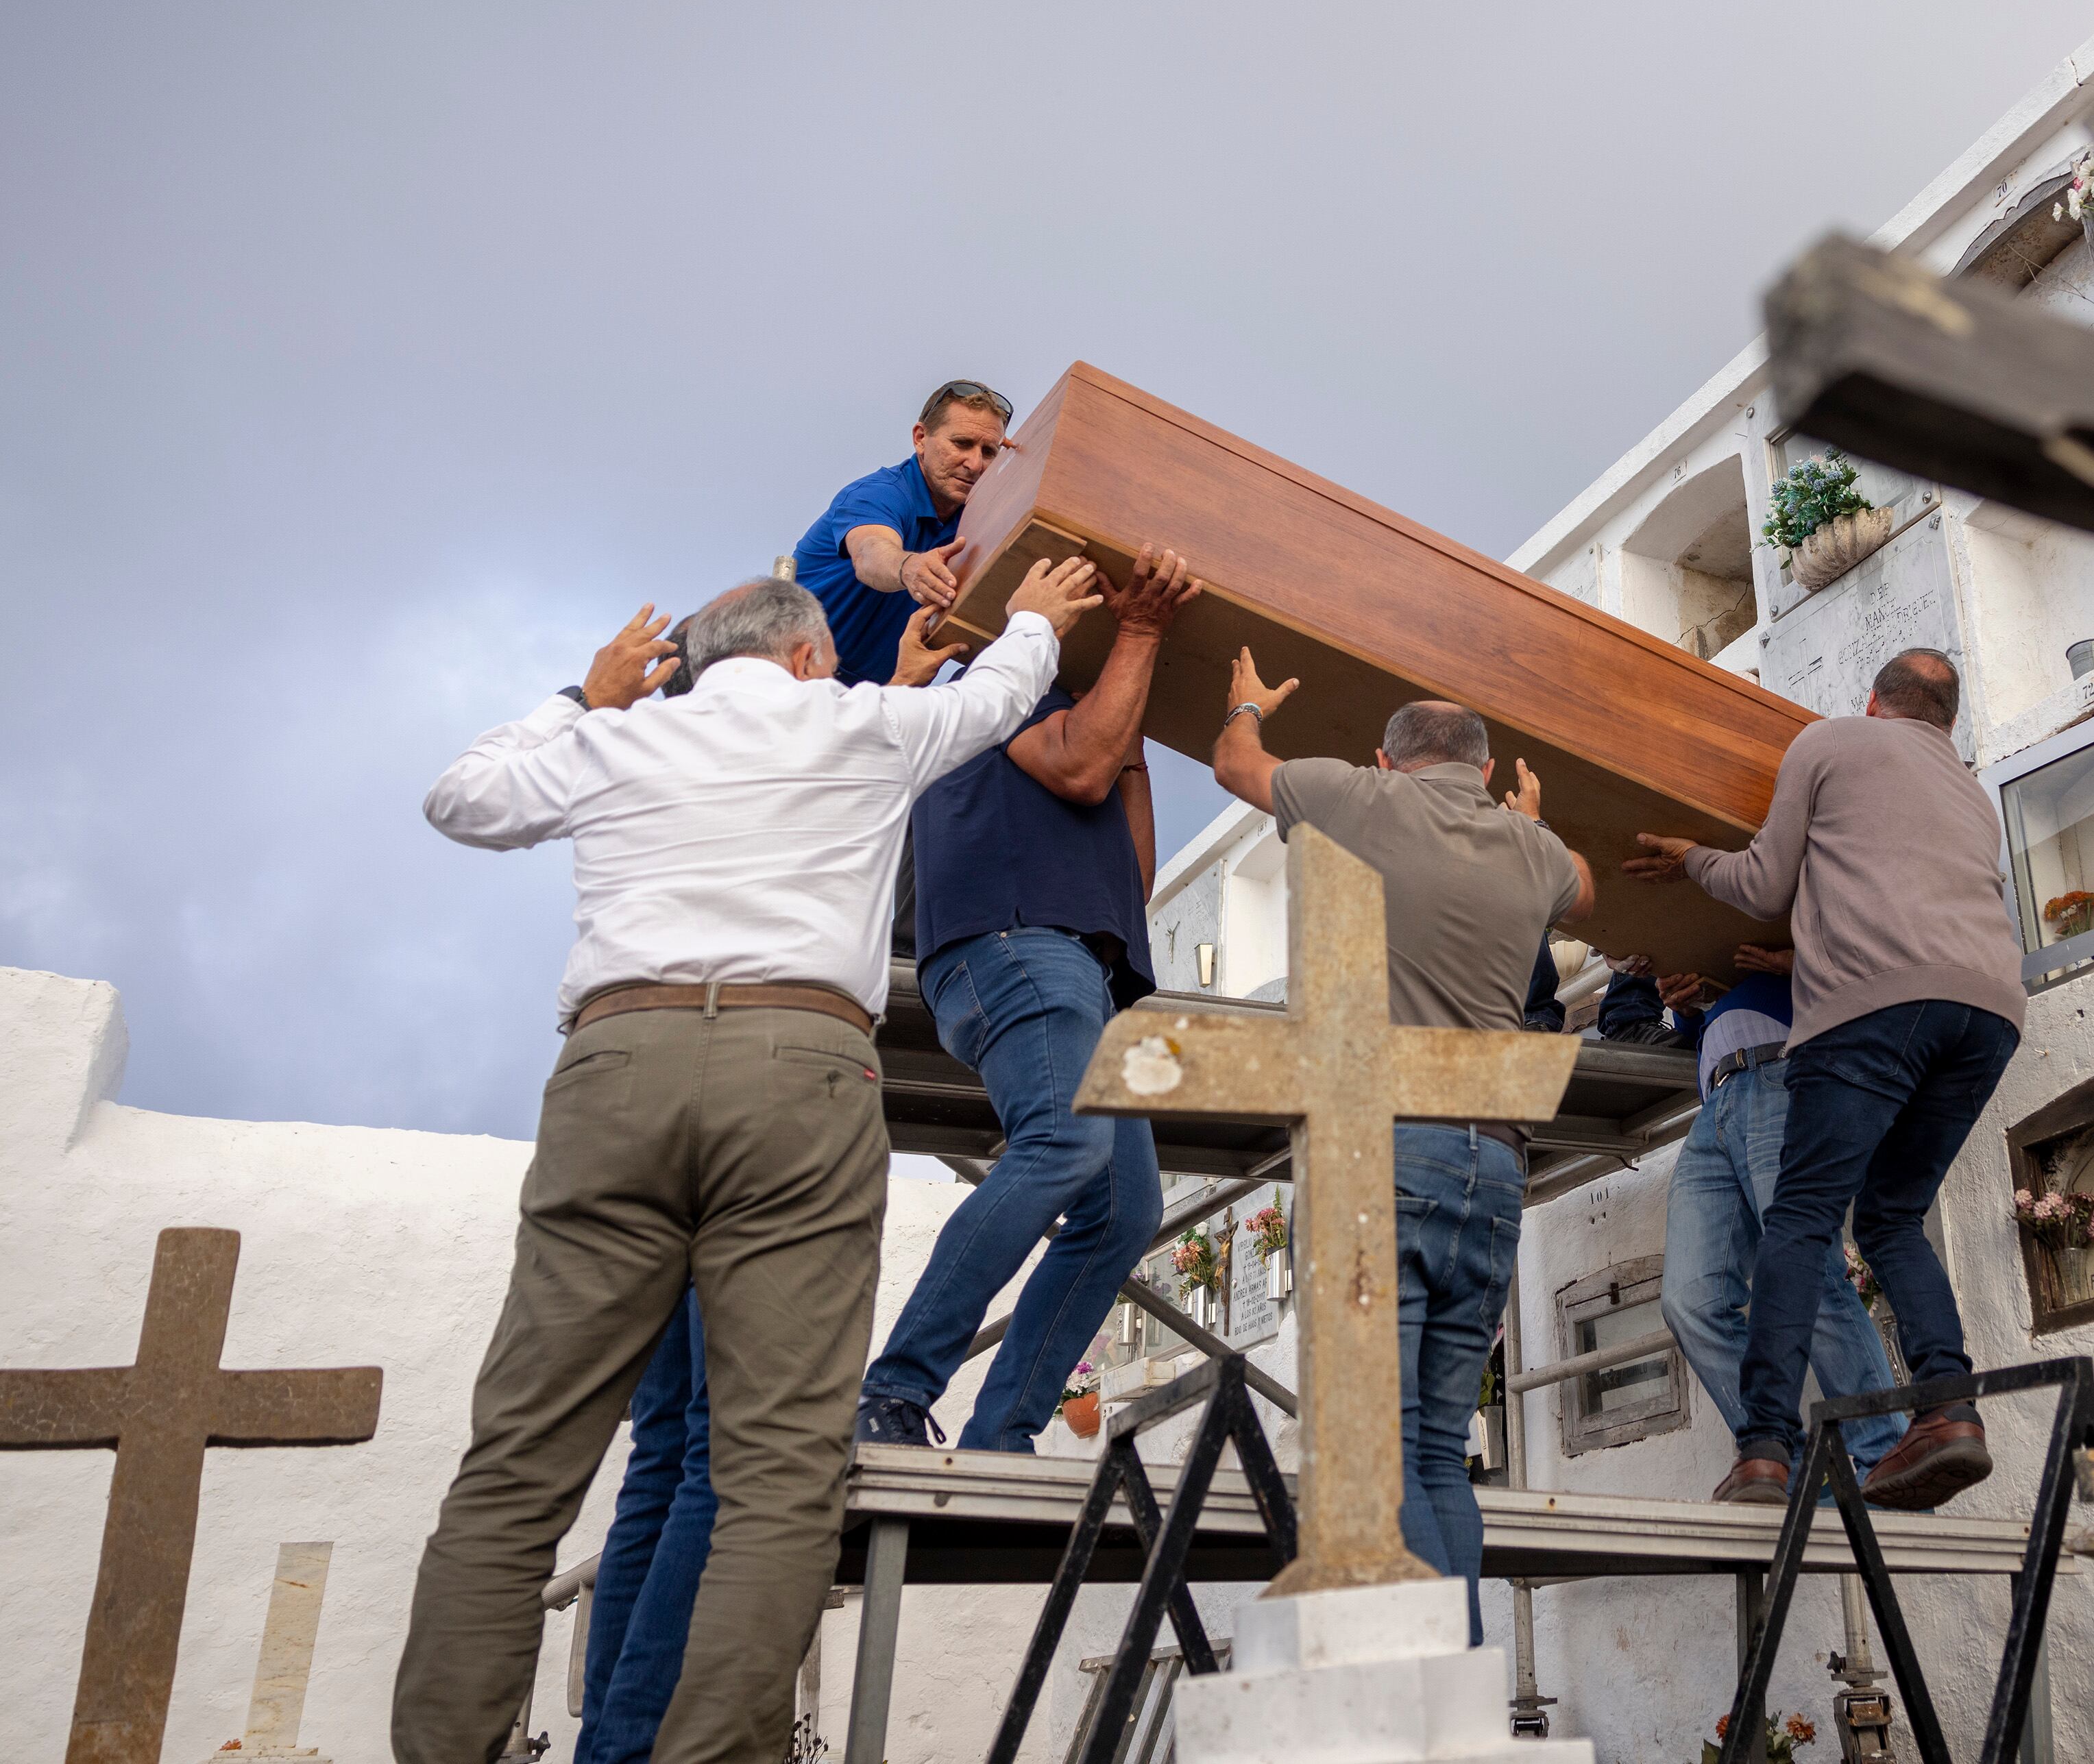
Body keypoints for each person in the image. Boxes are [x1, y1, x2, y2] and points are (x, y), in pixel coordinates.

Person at [393, 556, 1102, 1764]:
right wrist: (1034, 614)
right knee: (776, 1469)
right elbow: (997, 698)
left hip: (616, 1061)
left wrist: (585, 693)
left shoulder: (623, 736)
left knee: (520, 1459)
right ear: (810, 654)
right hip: (801, 1064)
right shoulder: (863, 722)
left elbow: (461, 799)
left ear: (697, 661)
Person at [1210, 651, 1592, 1640]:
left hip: (1384, 1151)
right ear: (1485, 761)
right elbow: (1584, 885)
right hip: (1493, 1168)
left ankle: (1423, 1685)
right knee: (1436, 1451)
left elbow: (1234, 764)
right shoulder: (1536, 851)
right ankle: (1459, 1684)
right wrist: (1532, 818)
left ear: (1389, 758)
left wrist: (1251, 701)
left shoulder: (1358, 797)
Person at [1626, 648, 2024, 1514]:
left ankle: (1767, 1444)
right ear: (1944, 718)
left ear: (1873, 700)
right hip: (1988, 1010)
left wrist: (1694, 857)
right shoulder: (1968, 792)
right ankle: (1948, 1407)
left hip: (1877, 1007)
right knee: (1887, 1217)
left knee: (1800, 1223)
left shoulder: (1827, 740)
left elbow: (1763, 877)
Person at [857, 546, 1205, 1451]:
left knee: (1126, 1210)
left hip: (1084, 966)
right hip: (1016, 945)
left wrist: (1134, 757)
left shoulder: (1081, 724)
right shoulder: (994, 689)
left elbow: (1130, 879)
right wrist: (1140, 629)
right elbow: (1079, 766)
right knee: (1060, 1141)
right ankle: (892, 1391)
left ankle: (1002, 1430)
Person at [1653, 948, 1907, 1497]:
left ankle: (1887, 1457)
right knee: (1690, 1301)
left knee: (1807, 1276)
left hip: (1786, 1069)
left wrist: (1797, 958)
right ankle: (1784, 1463)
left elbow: (1868, 953)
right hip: (1715, 1100)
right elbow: (1702, 1012)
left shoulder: (1792, 881)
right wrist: (1686, 1000)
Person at [793, 379, 1015, 685]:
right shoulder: (880, 494)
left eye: (989, 452)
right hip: (791, 677)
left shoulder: (980, 516)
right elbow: (870, 552)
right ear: (921, 438)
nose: (975, 464)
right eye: (962, 444)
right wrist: (909, 567)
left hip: (879, 697)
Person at [572, 1293, 709, 1764]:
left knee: (658, 1462)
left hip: (663, 1228)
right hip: (743, 1224)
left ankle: (604, 1747)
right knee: (721, 1453)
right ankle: (631, 1750)